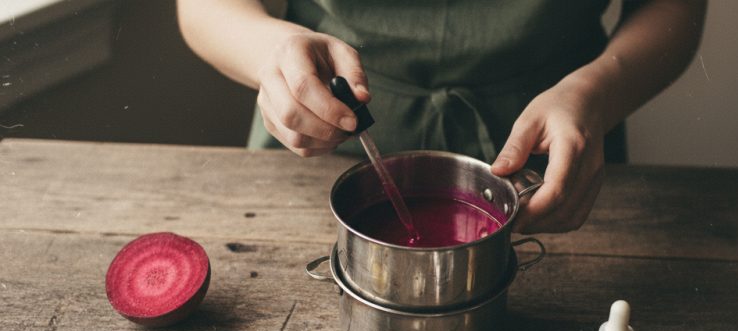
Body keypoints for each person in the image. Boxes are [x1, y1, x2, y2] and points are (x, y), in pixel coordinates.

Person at [176, 0, 706, 233]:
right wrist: (272, 54)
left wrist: (596, 92)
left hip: (556, 142)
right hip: (313, 141)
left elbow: (674, 4)